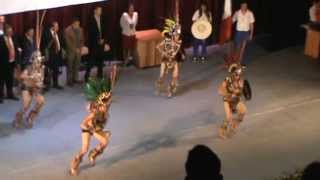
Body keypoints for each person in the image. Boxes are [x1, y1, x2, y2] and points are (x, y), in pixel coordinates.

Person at [69, 77, 114, 176]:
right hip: (88, 130)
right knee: (84, 149)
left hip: (96, 129)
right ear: (100, 105)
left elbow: (100, 125)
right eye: (105, 105)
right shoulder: (94, 113)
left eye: (108, 105)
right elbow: (82, 124)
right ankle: (74, 166)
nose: (107, 106)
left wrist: (101, 132)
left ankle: (93, 154)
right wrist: (91, 130)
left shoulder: (105, 112)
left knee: (105, 141)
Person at [13, 51, 45, 128]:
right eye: (37, 57)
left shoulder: (42, 68)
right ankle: (17, 119)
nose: (39, 59)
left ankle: (30, 117)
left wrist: (40, 83)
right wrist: (30, 77)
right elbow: (21, 76)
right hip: (26, 88)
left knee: (41, 102)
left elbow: (41, 79)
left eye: (39, 57)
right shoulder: (29, 67)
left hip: (35, 88)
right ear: (33, 59)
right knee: (26, 106)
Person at [156, 18, 183, 98]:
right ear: (173, 35)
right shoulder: (166, 40)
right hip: (165, 60)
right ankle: (158, 85)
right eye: (176, 35)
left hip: (173, 61)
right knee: (161, 76)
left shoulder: (178, 43)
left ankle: (169, 89)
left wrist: (174, 55)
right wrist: (163, 52)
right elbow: (157, 46)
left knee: (175, 77)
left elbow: (175, 52)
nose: (178, 37)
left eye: (178, 35)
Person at [218, 63, 247, 139]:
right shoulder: (227, 80)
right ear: (233, 73)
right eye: (237, 72)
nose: (239, 74)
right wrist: (228, 94)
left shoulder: (241, 81)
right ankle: (222, 130)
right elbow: (220, 90)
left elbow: (240, 92)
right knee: (228, 118)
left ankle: (234, 124)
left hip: (235, 100)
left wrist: (238, 93)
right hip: (227, 101)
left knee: (243, 111)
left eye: (240, 72)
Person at [85, 6, 111, 82]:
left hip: (101, 43)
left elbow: (105, 30)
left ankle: (100, 75)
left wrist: (104, 40)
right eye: (99, 10)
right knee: (91, 60)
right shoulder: (90, 19)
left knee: (101, 59)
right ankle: (87, 75)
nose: (101, 12)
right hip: (93, 43)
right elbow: (90, 32)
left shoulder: (102, 19)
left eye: (101, 10)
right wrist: (97, 40)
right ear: (95, 11)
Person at [41, 21, 64, 90]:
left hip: (57, 53)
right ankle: (47, 85)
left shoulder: (58, 33)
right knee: (48, 70)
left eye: (58, 26)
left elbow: (60, 42)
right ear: (52, 27)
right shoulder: (46, 33)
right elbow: (45, 45)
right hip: (50, 55)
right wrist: (52, 38)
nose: (58, 28)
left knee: (56, 69)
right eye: (56, 26)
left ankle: (55, 83)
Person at [0, 24, 19, 104]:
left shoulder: (14, 38)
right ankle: (0, 96)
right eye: (9, 31)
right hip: (2, 64)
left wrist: (17, 62)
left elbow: (16, 49)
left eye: (11, 31)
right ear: (4, 32)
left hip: (12, 62)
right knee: (1, 80)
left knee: (10, 79)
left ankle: (10, 94)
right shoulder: (0, 39)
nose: (11, 33)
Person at [64, 17, 84, 86]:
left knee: (77, 65)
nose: (78, 25)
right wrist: (75, 49)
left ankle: (75, 79)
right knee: (70, 66)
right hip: (71, 51)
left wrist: (80, 48)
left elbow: (82, 40)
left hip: (78, 51)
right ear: (73, 23)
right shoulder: (67, 30)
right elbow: (68, 42)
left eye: (79, 24)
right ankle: (69, 81)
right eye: (76, 24)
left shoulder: (80, 29)